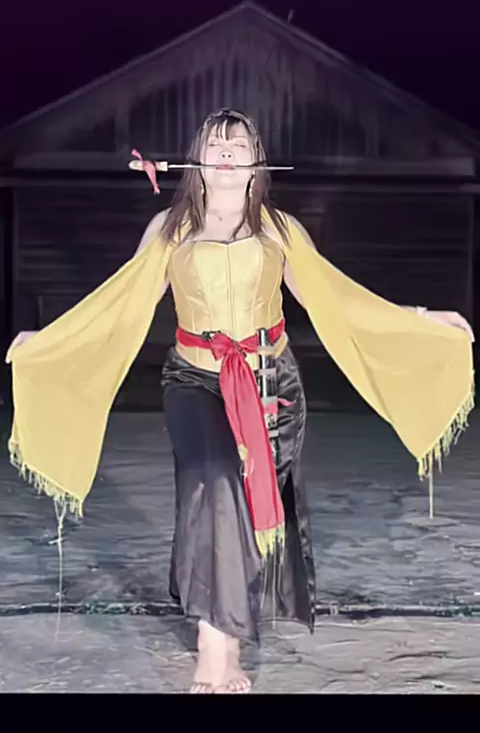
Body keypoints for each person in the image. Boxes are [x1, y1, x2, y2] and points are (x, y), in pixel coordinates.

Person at [8, 109, 474, 695]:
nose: (226, 150)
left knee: (246, 506)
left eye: (239, 142)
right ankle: (218, 648)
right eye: (215, 142)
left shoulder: (279, 230)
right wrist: (50, 341)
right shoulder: (169, 229)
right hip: (194, 379)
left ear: (258, 163)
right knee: (213, 476)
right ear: (196, 161)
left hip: (271, 383)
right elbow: (120, 303)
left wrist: (421, 319)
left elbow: (336, 298)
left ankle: (216, 606)